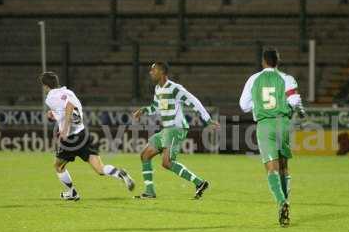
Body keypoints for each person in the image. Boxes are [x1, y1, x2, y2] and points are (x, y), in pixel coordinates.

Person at [40, 71, 134, 201]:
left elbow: (69, 107)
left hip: (70, 138)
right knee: (100, 169)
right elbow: (69, 108)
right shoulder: (68, 92)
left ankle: (72, 192)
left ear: (45, 86)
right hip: (83, 133)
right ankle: (119, 173)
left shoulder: (50, 97)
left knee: (58, 166)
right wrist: (54, 115)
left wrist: (65, 130)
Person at [133, 62, 220, 199]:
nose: (150, 72)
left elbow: (193, 101)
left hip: (176, 128)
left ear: (161, 72)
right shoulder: (158, 89)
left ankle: (199, 183)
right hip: (167, 129)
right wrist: (143, 110)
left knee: (167, 162)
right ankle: (150, 192)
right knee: (145, 155)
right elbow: (155, 107)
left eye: (153, 70)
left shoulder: (174, 88)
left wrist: (207, 119)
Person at [239, 48, 305, 227]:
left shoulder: (254, 79)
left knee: (271, 168)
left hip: (265, 124)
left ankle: (281, 202)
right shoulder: (287, 79)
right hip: (282, 123)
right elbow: (294, 102)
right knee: (284, 166)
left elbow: (243, 105)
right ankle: (286, 203)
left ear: (263, 62)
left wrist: (259, 104)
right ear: (278, 61)